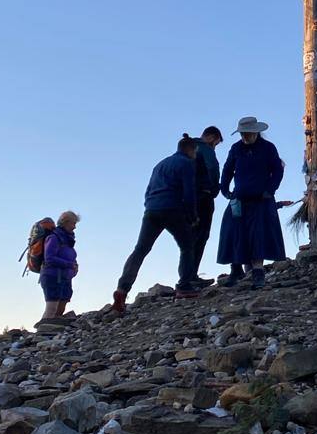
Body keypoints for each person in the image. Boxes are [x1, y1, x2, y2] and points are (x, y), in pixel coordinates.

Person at [112, 134, 200, 313]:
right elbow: (189, 193)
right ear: (190, 150)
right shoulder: (186, 164)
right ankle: (184, 286)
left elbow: (148, 190)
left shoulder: (160, 165)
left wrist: (149, 205)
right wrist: (192, 216)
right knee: (187, 245)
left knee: (140, 250)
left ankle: (122, 288)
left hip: (151, 209)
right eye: (195, 152)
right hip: (172, 209)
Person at [217, 117, 286, 289]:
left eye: (248, 133)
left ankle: (258, 272)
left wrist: (270, 190)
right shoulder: (236, 148)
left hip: (261, 199)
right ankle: (236, 269)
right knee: (233, 232)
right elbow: (227, 170)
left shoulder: (268, 148)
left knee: (258, 235)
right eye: (243, 134)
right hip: (239, 198)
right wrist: (225, 190)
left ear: (256, 132)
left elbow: (277, 170)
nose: (245, 137)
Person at [192, 125, 223, 287]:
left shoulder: (187, 148)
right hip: (203, 197)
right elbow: (213, 168)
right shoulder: (205, 149)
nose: (215, 147)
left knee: (189, 237)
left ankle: (187, 276)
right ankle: (191, 276)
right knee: (201, 236)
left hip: (188, 199)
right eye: (216, 144)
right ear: (210, 137)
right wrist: (214, 189)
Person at [40, 211, 79, 321]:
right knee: (51, 309)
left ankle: (52, 333)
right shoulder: (54, 237)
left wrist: (74, 267)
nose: (75, 227)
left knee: (59, 310)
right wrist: (70, 265)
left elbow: (68, 256)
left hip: (64, 277)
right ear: (65, 222)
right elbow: (49, 258)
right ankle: (42, 334)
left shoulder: (67, 239)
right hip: (53, 277)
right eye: (73, 223)